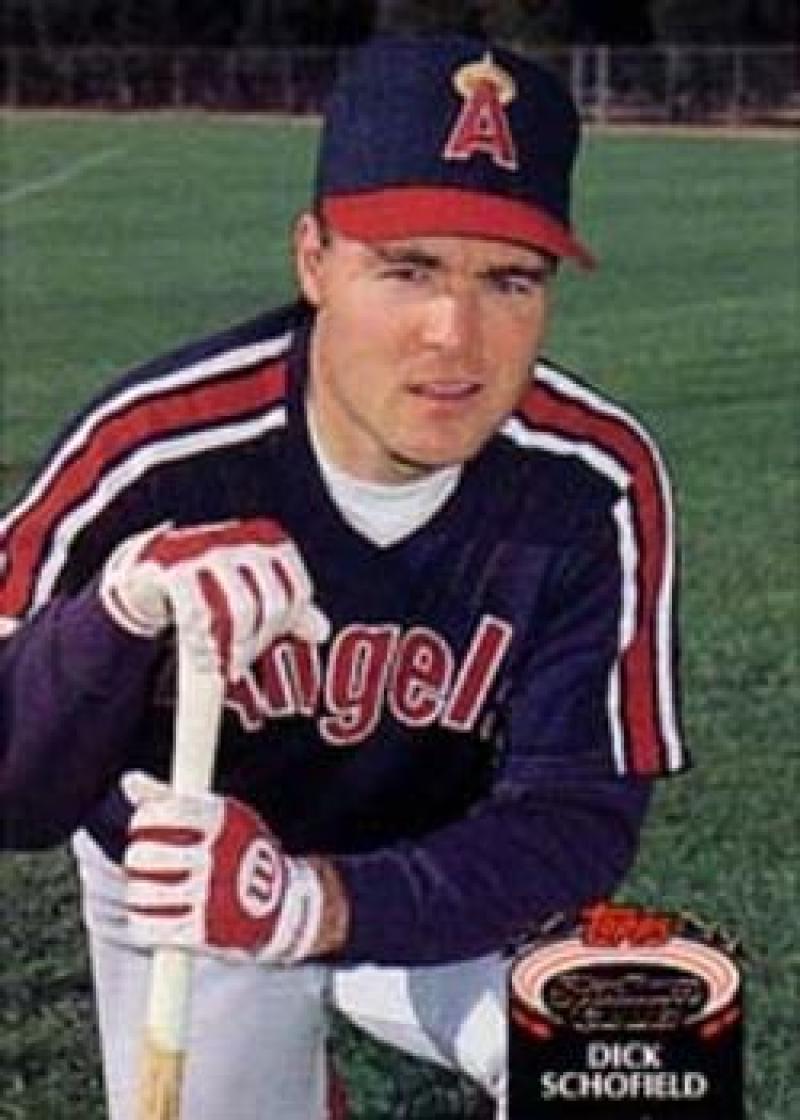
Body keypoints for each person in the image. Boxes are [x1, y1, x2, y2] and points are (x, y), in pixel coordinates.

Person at [0, 34, 687, 1120]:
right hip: (187, 900)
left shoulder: (592, 482)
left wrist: (319, 902)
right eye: (405, 266)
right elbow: (10, 788)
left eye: (508, 279)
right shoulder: (150, 454)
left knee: (645, 1056)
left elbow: (574, 817)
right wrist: (114, 616)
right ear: (313, 260)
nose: (452, 334)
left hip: (440, 882)